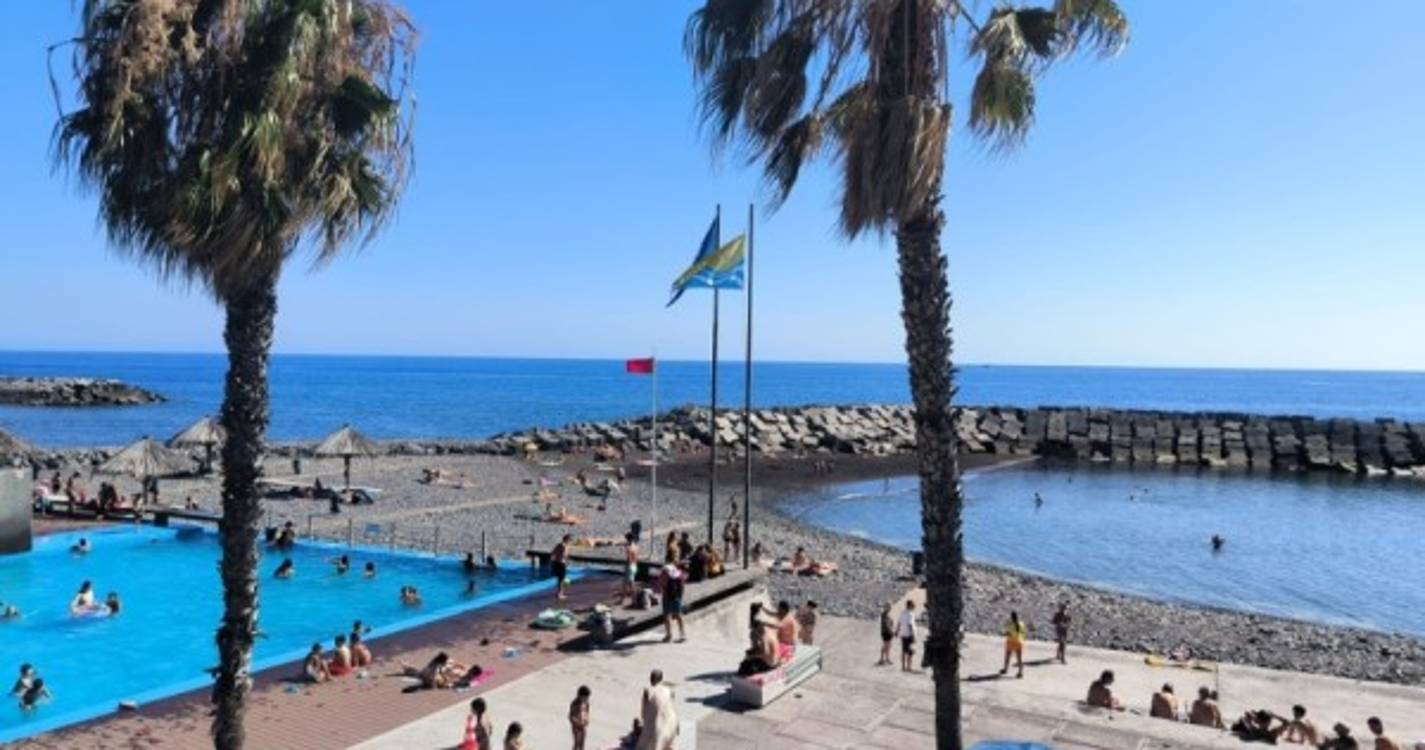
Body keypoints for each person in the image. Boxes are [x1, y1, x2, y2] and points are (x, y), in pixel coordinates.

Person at [636, 670, 677, 750]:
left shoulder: (648, 691)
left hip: (657, 730)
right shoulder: (669, 690)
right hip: (672, 725)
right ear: (661, 679)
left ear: (651, 679)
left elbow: (643, 714)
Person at [658, 563, 686, 643]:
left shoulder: (663, 575)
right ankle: (682, 634)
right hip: (676, 597)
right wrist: (680, 596)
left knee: (667, 615)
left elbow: (661, 587)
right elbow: (682, 586)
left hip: (667, 597)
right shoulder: (679, 575)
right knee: (678, 615)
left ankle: (669, 635)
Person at [1000, 611, 1026, 679]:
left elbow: (1008, 633)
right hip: (1019, 641)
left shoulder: (1010, 624)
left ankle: (1005, 669)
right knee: (1019, 658)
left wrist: (1005, 634)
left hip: (1011, 642)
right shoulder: (1021, 624)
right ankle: (1020, 672)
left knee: (1008, 656)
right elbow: (1023, 632)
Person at [896, 600, 918, 672]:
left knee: (903, 651)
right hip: (909, 635)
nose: (914, 607)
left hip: (903, 634)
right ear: (910, 606)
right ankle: (909, 667)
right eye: (913, 606)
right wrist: (913, 635)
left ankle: (903, 667)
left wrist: (897, 631)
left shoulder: (902, 613)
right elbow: (910, 624)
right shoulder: (910, 614)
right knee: (910, 652)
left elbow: (899, 623)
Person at [569, 684, 591, 750]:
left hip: (583, 724)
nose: (587, 699)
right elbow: (571, 716)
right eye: (585, 697)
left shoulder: (586, 703)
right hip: (576, 726)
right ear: (580, 695)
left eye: (587, 697)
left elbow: (587, 712)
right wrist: (576, 722)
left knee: (582, 743)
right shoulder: (575, 703)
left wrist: (587, 719)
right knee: (577, 743)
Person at [621, 532, 640, 604]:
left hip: (629, 566)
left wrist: (626, 565)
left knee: (630, 585)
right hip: (635, 565)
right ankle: (623, 599)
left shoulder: (628, 548)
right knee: (627, 583)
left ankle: (633, 600)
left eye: (626, 539)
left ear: (628, 539)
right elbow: (637, 558)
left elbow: (629, 559)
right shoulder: (636, 547)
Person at [552, 534, 571, 600]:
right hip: (562, 564)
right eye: (569, 540)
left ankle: (560, 592)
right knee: (563, 579)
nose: (570, 541)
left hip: (557, 563)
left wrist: (553, 561)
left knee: (560, 579)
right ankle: (560, 594)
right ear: (567, 540)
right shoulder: (565, 546)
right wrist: (566, 561)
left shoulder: (559, 545)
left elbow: (553, 553)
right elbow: (564, 555)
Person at [878, 602, 895, 666]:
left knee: (888, 646)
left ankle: (887, 659)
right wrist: (891, 630)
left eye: (889, 607)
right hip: (886, 632)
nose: (889, 608)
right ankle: (882, 659)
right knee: (885, 645)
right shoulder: (884, 615)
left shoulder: (887, 615)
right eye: (888, 607)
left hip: (888, 632)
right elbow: (886, 624)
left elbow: (890, 623)